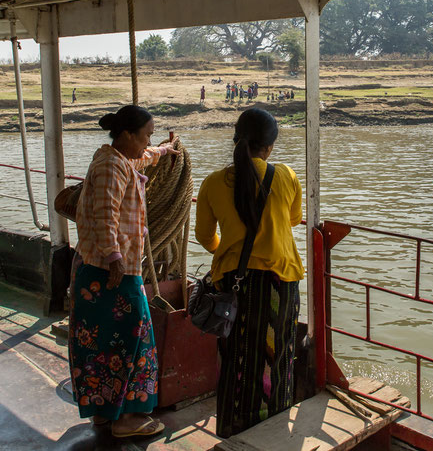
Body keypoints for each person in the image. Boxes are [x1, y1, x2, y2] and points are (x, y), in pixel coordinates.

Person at [69, 105, 179, 439]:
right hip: (113, 271)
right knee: (135, 340)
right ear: (127, 135)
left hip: (101, 270)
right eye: (145, 134)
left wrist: (164, 150)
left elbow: (143, 157)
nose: (147, 141)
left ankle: (104, 413)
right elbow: (106, 216)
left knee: (101, 341)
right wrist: (115, 258)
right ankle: (127, 419)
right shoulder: (110, 168)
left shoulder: (118, 159)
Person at [195, 108, 304, 437]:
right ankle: (273, 429)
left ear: (237, 139)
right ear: (269, 147)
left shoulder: (213, 182)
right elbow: (294, 219)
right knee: (278, 353)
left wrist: (226, 253)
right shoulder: (285, 175)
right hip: (279, 280)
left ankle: (231, 428)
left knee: (235, 356)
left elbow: (204, 236)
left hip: (234, 283)